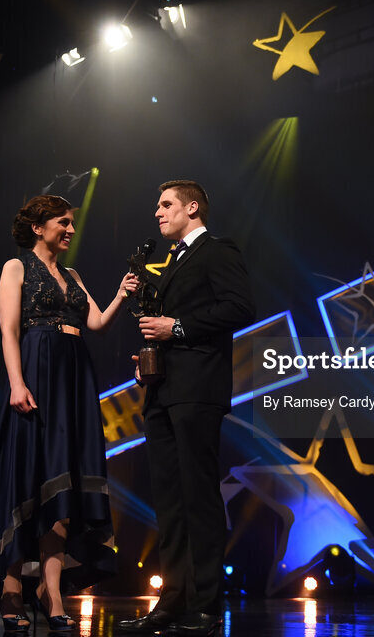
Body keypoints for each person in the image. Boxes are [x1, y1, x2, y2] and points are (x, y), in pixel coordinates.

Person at [0, 195, 137, 632]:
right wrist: (17, 383)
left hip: (75, 378)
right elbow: (8, 330)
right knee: (28, 477)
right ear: (39, 227)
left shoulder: (72, 274)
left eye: (72, 222)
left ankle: (52, 592)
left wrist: (119, 295)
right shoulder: (15, 268)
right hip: (36, 373)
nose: (71, 229)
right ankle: (12, 586)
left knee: (65, 481)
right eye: (63, 222)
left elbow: (94, 324)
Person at [119, 181, 255, 636]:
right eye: (156, 205)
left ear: (191, 207)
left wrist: (176, 328)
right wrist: (150, 359)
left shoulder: (217, 250)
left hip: (198, 391)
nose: (157, 213)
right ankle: (171, 602)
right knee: (169, 503)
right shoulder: (174, 259)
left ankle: (206, 607)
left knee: (198, 498)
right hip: (163, 391)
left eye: (165, 205)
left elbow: (240, 307)